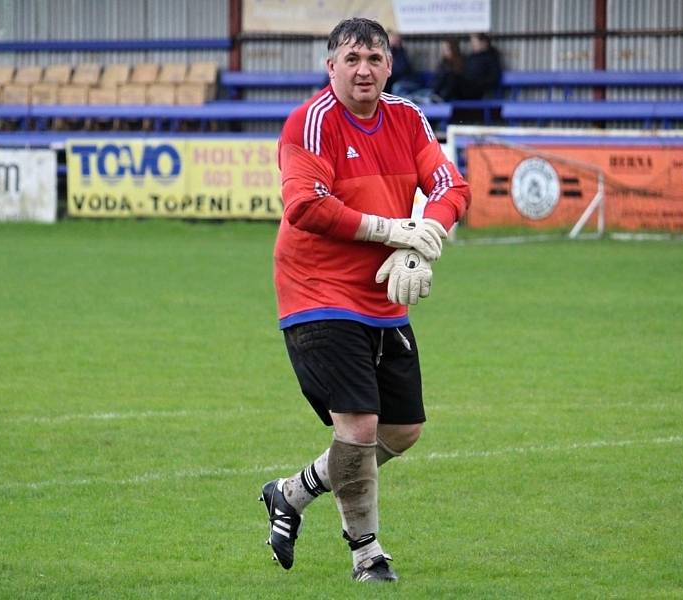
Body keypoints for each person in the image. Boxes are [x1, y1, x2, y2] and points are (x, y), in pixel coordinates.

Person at [260, 17, 470, 583]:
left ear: (389, 65)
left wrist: (428, 235)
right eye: (351, 59)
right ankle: (367, 555)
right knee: (357, 427)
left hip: (381, 295)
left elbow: (451, 185)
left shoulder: (407, 117)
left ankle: (291, 494)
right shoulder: (311, 121)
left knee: (401, 431)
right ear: (331, 67)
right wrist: (394, 230)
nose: (364, 70)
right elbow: (304, 205)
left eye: (374, 59)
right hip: (317, 292)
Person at [461, 32, 503, 99]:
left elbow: (494, 78)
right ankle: (440, 98)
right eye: (472, 42)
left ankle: (441, 98)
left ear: (484, 43)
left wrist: (479, 83)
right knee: (450, 76)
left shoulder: (491, 57)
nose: (472, 44)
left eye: (475, 42)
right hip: (467, 86)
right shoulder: (471, 57)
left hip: (479, 89)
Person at [384, 30, 419, 96]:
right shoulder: (385, 52)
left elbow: (399, 71)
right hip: (393, 81)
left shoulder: (401, 52)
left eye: (394, 38)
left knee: (397, 87)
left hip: (407, 81)